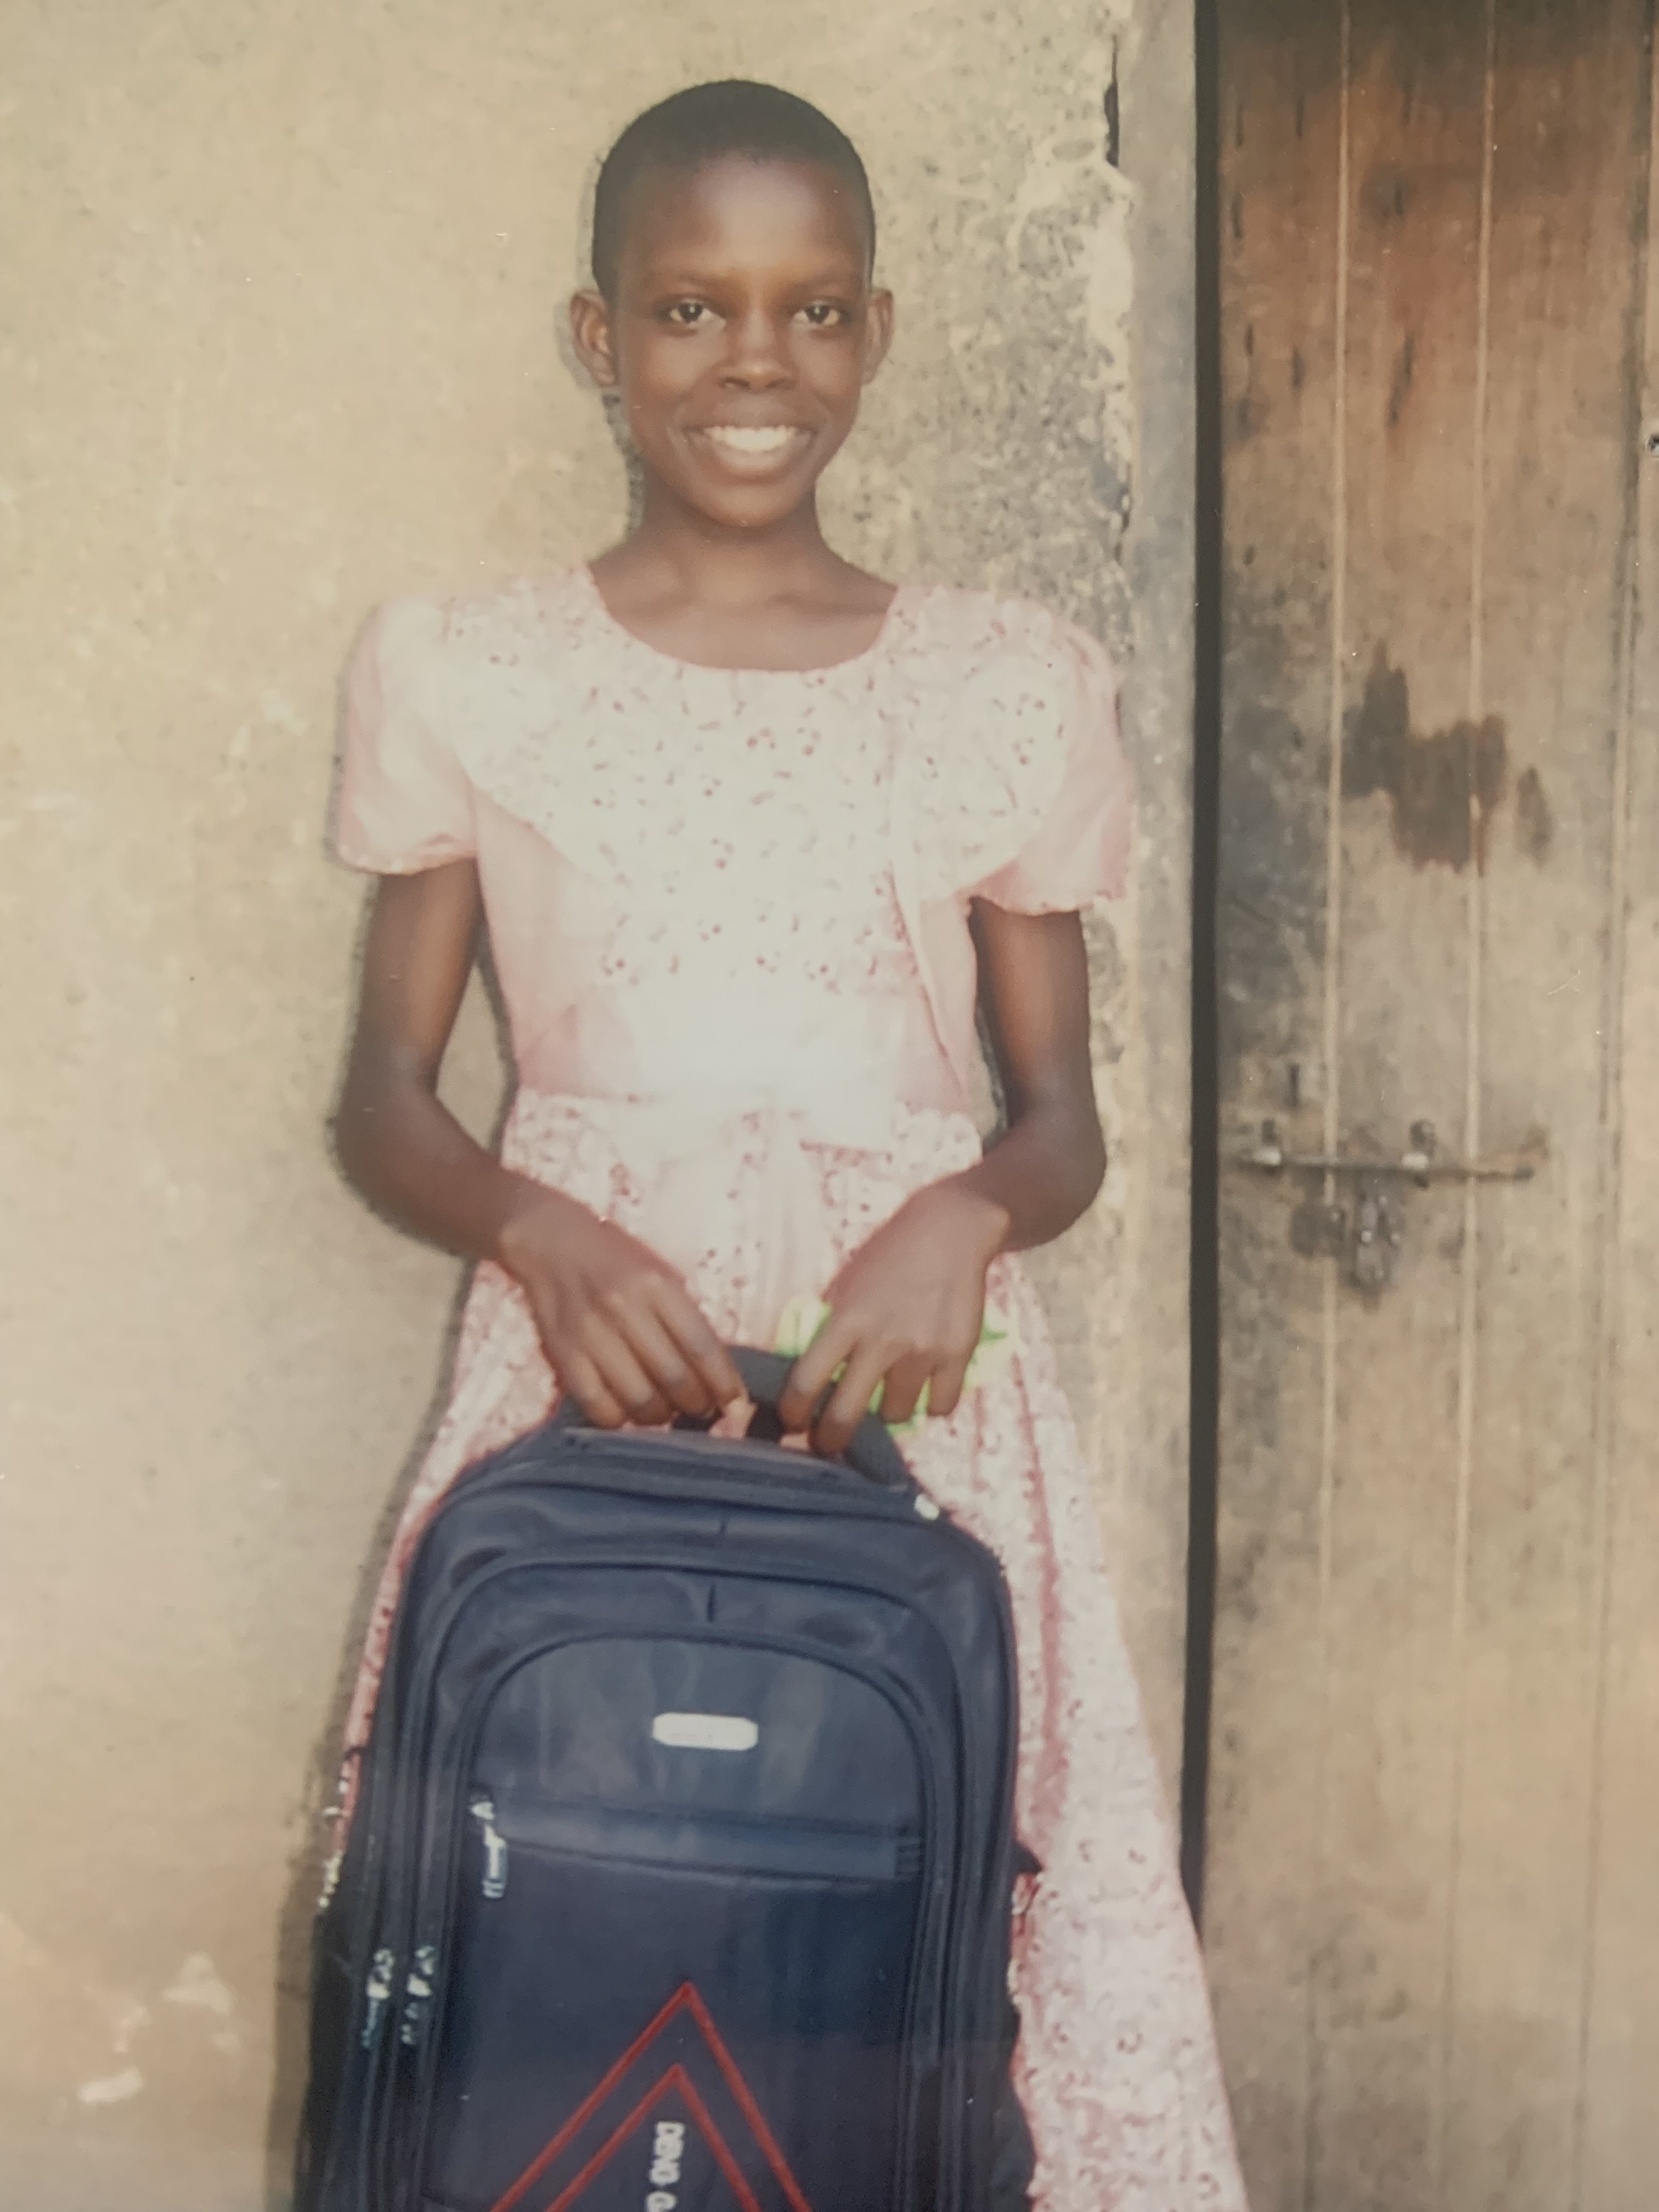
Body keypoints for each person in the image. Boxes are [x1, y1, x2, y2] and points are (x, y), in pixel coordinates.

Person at [326, 78, 1247, 2212]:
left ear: (879, 330)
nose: (756, 364)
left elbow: (1060, 1121)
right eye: (693, 309)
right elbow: (383, 1098)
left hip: (907, 1396)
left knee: (913, 1904)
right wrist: (542, 1233)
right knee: (552, 1897)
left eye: (812, 310)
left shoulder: (1011, 680)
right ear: (601, 337)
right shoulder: (470, 667)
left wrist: (966, 1219)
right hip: (590, 1382)